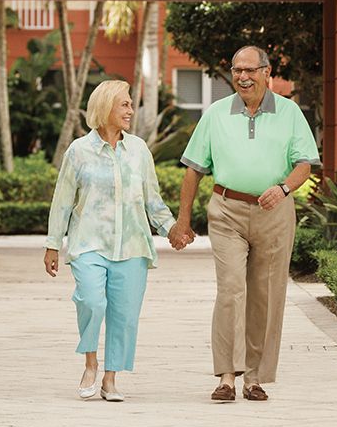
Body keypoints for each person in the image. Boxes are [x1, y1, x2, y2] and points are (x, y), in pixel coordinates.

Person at [169, 45, 319, 402]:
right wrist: (183, 221)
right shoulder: (217, 114)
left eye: (250, 70)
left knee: (266, 295)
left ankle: (254, 377)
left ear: (266, 72)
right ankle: (226, 376)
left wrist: (283, 189)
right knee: (231, 290)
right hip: (226, 211)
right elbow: (193, 169)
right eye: (237, 70)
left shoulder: (290, 112)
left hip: (275, 213)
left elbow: (304, 165)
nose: (243, 77)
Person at [44, 79, 178, 402]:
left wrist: (172, 229)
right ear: (105, 108)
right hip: (89, 242)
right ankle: (90, 364)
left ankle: (110, 379)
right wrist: (52, 244)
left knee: (125, 314)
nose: (131, 110)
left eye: (131, 104)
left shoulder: (139, 151)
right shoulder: (78, 151)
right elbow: (62, 200)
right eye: (125, 104)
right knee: (91, 301)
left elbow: (152, 200)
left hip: (132, 246)